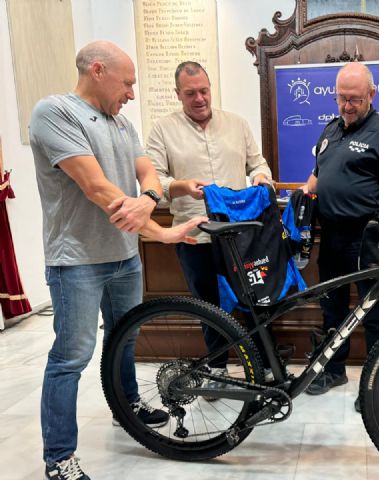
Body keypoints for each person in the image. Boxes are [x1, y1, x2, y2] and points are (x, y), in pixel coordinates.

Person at [29, 41, 207, 480]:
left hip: (124, 254)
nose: (131, 93)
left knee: (125, 338)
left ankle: (124, 407)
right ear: (97, 70)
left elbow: (147, 173)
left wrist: (149, 199)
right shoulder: (55, 113)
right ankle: (58, 456)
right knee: (72, 356)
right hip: (77, 261)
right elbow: (97, 189)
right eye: (127, 83)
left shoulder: (123, 123)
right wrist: (157, 223)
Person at [146, 61, 273, 380]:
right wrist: (180, 186)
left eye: (204, 90)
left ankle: (264, 369)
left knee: (253, 302)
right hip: (195, 236)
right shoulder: (162, 130)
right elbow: (153, 181)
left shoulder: (237, 124)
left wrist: (260, 177)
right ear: (178, 94)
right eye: (190, 93)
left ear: (210, 87)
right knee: (210, 308)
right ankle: (217, 368)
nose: (199, 98)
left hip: (239, 237)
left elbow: (258, 164)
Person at [301, 62, 379, 411]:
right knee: (332, 309)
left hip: (367, 238)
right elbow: (317, 176)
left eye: (354, 99)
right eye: (342, 98)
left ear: (371, 95)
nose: (347, 105)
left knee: (375, 313)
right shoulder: (331, 130)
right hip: (331, 236)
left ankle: (376, 381)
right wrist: (302, 201)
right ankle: (334, 370)